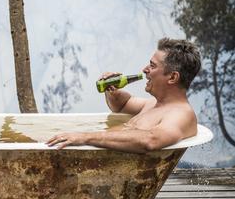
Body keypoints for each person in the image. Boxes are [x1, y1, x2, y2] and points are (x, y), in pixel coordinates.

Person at [47, 38, 201, 153]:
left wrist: (84, 137)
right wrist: (111, 90)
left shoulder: (181, 114)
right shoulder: (154, 104)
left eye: (152, 66)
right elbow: (121, 105)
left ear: (173, 77)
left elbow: (151, 140)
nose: (144, 69)